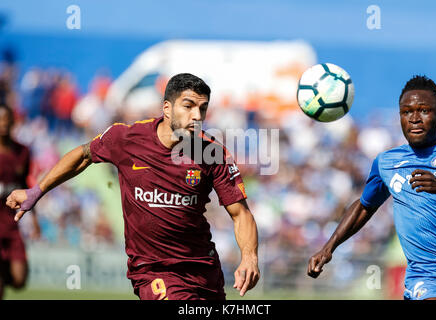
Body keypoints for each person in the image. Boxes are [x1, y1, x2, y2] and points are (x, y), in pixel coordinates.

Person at [6, 73, 260, 300]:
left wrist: (249, 256)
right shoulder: (126, 138)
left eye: (202, 109)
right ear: (167, 108)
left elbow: (240, 213)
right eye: (188, 106)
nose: (197, 115)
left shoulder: (211, 152)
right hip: (154, 271)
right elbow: (83, 156)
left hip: (204, 271)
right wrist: (36, 191)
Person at [307, 75, 436, 300]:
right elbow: (365, 206)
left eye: (424, 110)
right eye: (406, 112)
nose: (414, 118)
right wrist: (329, 247)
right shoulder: (387, 162)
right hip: (428, 276)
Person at [0, 104, 40, 299]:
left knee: (19, 279)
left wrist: (34, 218)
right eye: (0, 120)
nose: (4, 125)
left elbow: (26, 185)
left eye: (7, 120)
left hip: (11, 225)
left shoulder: (22, 151)